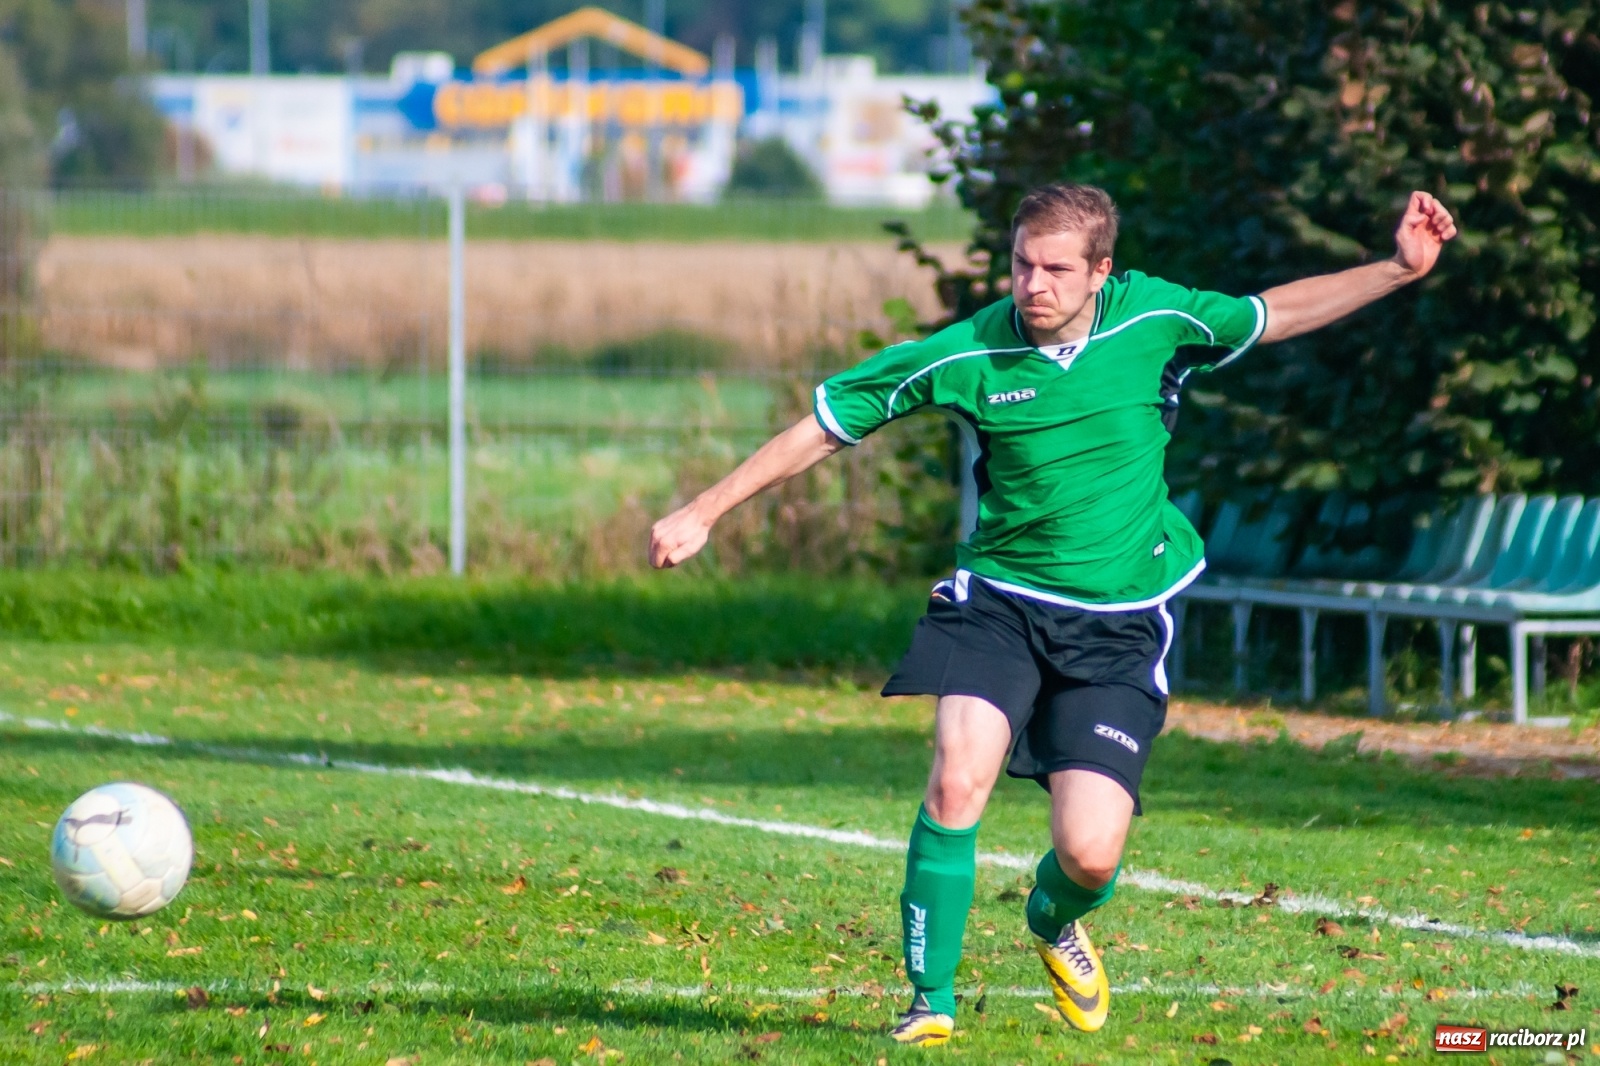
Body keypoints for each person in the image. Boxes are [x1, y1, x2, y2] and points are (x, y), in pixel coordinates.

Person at [648, 182, 1456, 1046]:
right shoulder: (970, 350)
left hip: (1119, 625)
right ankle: (930, 1003)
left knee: (1091, 854)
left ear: (1101, 271)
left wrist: (1397, 270)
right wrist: (705, 508)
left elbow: (1274, 313)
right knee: (957, 778)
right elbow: (827, 422)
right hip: (1000, 604)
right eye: (1021, 264)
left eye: (1056, 270)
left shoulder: (1157, 321)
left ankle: (1052, 916)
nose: (1033, 285)